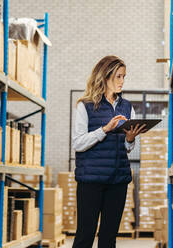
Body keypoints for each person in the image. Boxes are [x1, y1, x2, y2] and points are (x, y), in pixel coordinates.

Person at [72, 55, 146, 248]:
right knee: (84, 236)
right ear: (105, 77)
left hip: (118, 181)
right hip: (91, 181)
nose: (122, 81)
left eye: (124, 77)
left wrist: (130, 139)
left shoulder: (127, 107)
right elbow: (78, 143)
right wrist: (104, 129)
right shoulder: (85, 106)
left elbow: (128, 148)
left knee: (108, 238)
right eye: (118, 77)